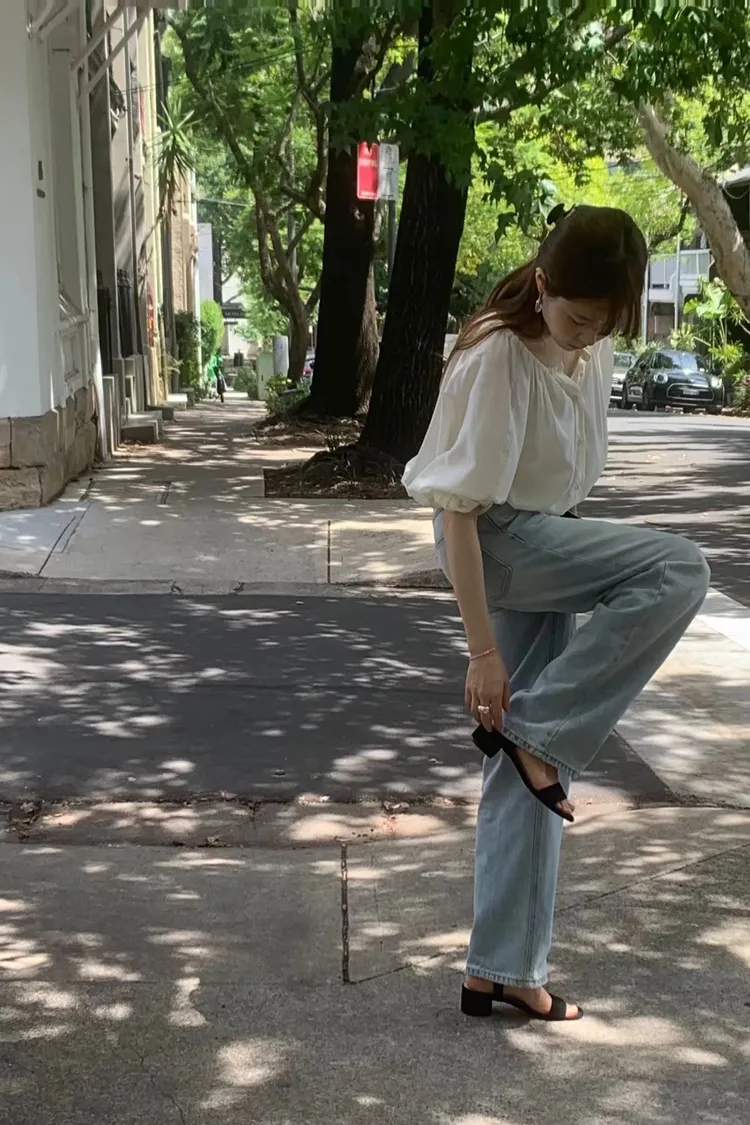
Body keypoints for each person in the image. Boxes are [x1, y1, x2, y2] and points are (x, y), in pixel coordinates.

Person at [402, 205, 710, 1024]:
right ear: (542, 284)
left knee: (526, 769)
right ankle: (540, 734)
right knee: (679, 568)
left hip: (540, 535)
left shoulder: (587, 346)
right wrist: (481, 652)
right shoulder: (496, 355)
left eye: (604, 324)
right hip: (493, 543)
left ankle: (501, 970)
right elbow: (458, 515)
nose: (588, 336)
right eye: (577, 319)